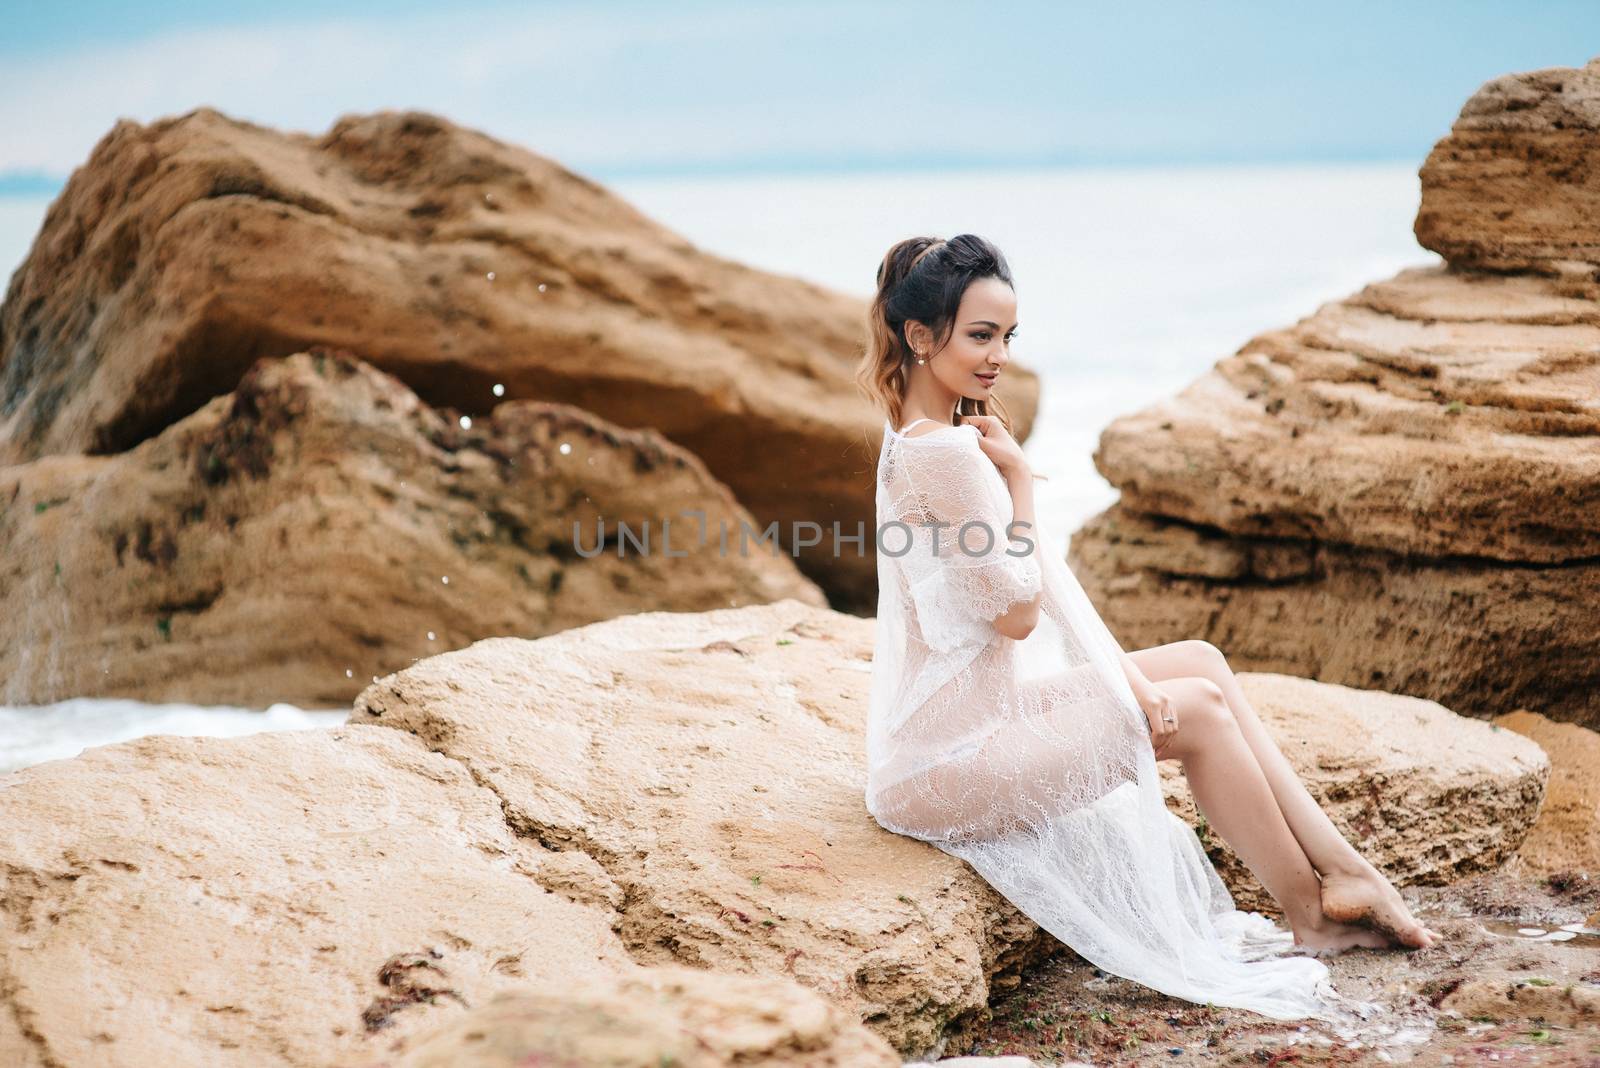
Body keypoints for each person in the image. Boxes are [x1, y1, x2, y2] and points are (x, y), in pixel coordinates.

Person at [854, 233, 1440, 1023]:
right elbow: (1020, 614)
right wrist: (1022, 483)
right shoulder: (949, 460)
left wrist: (1126, 678)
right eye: (980, 336)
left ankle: (1344, 869)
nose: (998, 356)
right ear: (922, 338)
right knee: (1194, 711)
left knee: (1195, 661)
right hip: (945, 762)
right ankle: (1311, 915)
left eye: (1007, 336)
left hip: (970, 727)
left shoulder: (937, 441)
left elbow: (1045, 587)